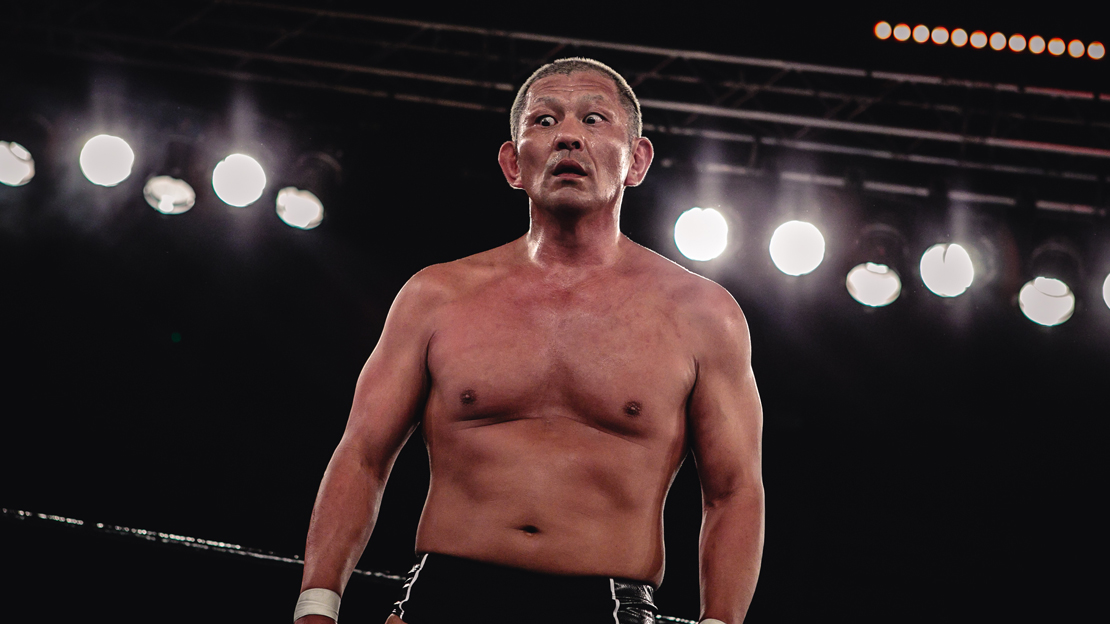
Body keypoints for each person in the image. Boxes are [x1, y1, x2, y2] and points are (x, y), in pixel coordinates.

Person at [293, 57, 764, 624]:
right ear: (513, 164)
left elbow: (734, 491)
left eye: (594, 119)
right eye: (544, 120)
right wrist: (316, 608)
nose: (568, 135)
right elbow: (362, 456)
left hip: (605, 604)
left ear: (636, 161)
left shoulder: (702, 314)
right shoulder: (436, 296)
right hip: (446, 594)